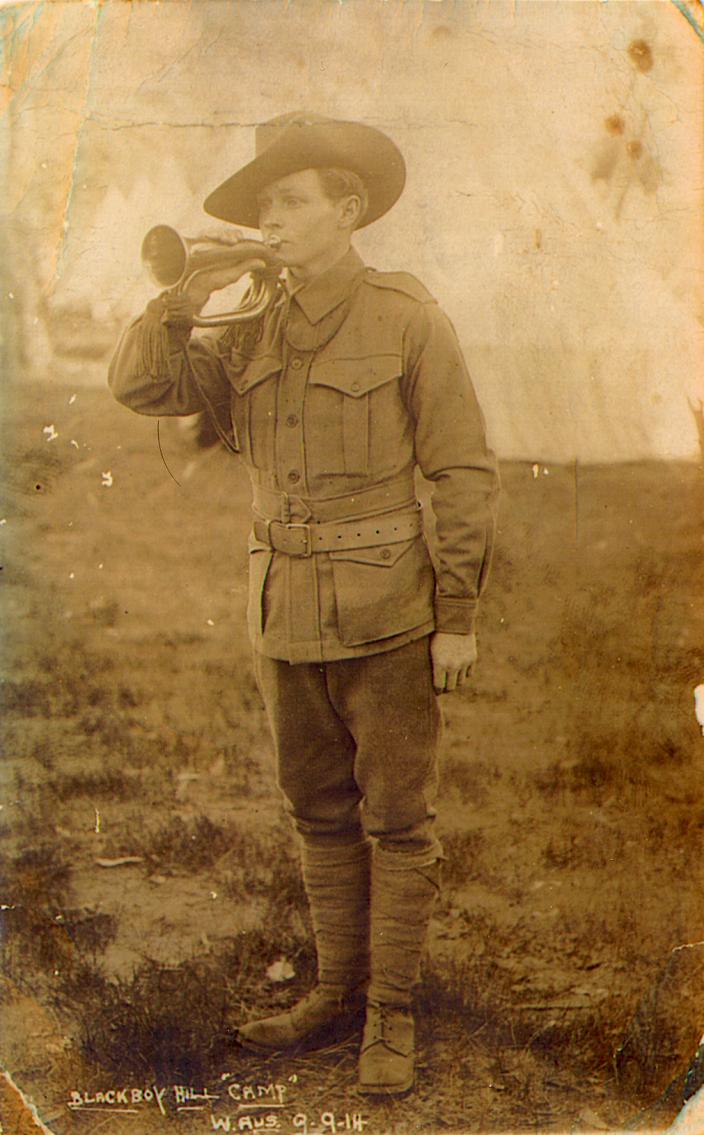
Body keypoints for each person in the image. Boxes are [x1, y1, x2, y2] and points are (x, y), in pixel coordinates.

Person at [108, 112, 499, 1096]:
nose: (270, 221)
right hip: (282, 614)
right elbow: (143, 387)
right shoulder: (248, 324)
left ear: (347, 208)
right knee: (317, 813)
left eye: (287, 200)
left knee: (395, 821)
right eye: (262, 206)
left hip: (387, 616)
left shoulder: (408, 318)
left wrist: (456, 615)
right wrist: (181, 294)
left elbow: (460, 470)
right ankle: (333, 996)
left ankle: (389, 1017)